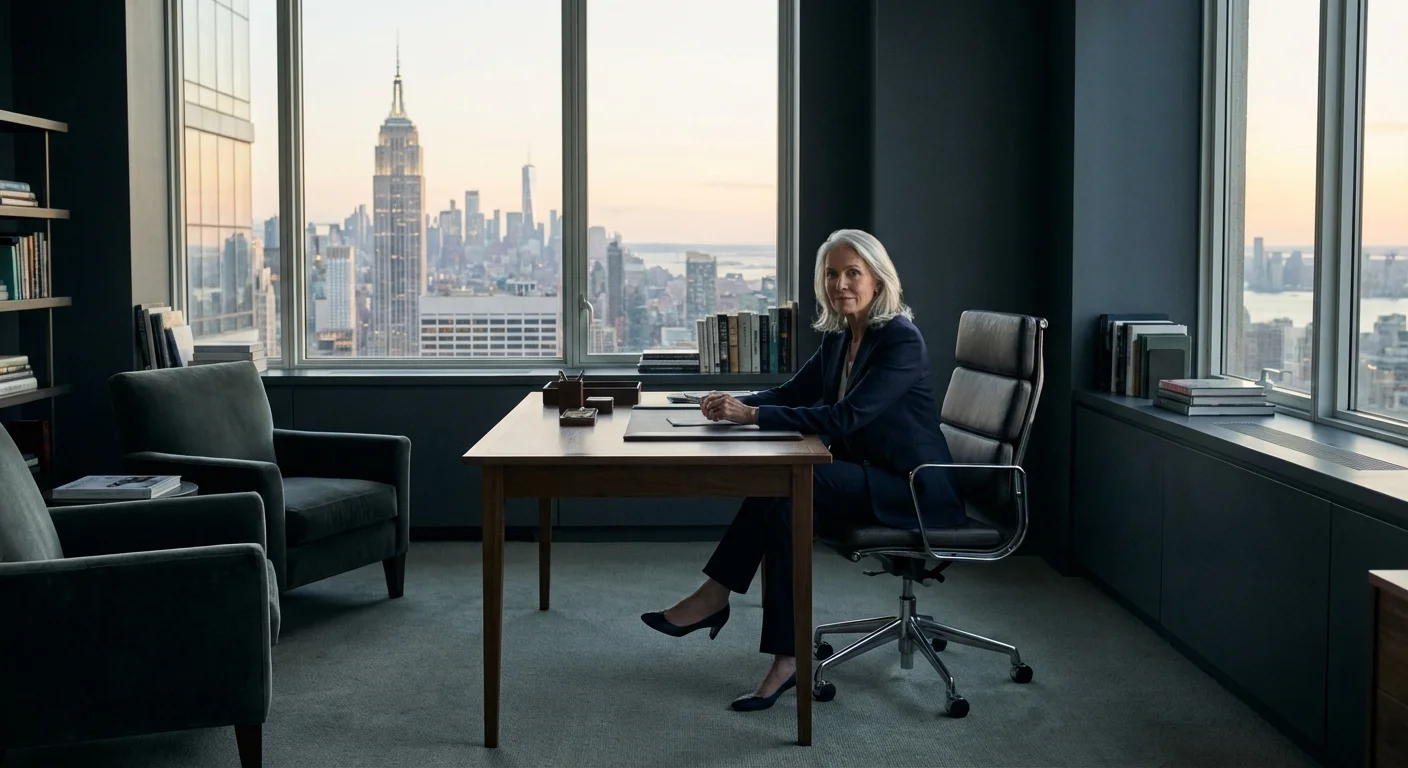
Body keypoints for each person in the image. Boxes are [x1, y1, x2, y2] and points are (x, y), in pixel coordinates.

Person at [640, 228, 967, 711]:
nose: (841, 284)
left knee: (791, 481)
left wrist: (751, 417)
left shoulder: (900, 340)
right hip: (866, 475)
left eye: (852, 273)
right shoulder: (841, 338)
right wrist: (729, 404)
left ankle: (723, 604)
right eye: (832, 274)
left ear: (877, 279)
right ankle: (778, 651)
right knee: (783, 498)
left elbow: (845, 417)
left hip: (913, 488)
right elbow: (793, 393)